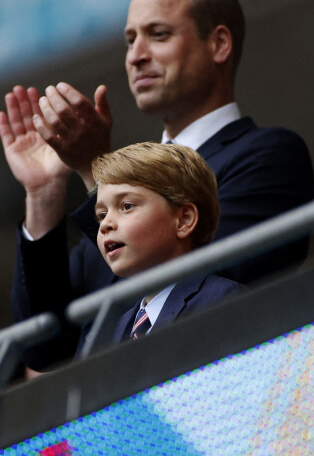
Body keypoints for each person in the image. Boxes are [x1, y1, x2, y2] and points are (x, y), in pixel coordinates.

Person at [2, 0, 313, 370]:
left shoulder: (269, 154)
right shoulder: (112, 209)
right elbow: (45, 349)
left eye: (158, 34)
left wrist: (100, 173)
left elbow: (192, 289)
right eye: (130, 40)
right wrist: (43, 194)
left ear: (218, 44)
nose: (136, 55)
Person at [86, 142, 245, 348]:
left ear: (184, 220)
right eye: (102, 215)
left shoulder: (221, 301)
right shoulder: (112, 331)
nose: (106, 224)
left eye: (126, 206)